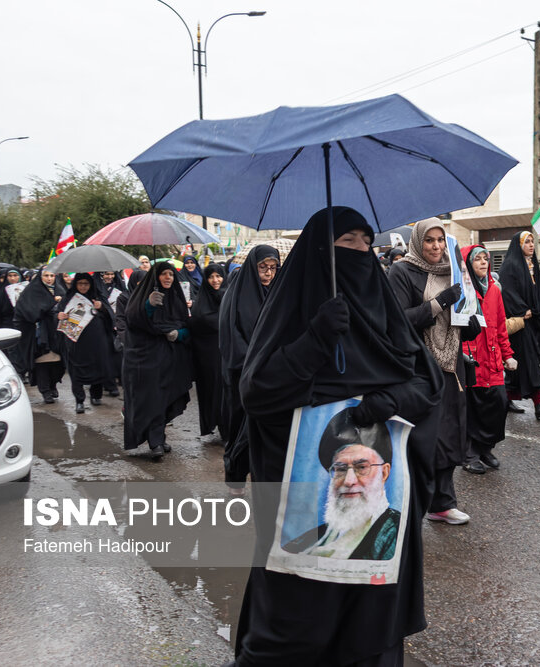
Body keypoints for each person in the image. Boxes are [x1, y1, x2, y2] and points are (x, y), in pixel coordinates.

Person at [235, 206, 443, 666]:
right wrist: (314, 339)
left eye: (366, 242)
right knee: (295, 619)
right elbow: (258, 393)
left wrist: (389, 401)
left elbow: (427, 383)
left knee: (371, 625)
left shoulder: (383, 309)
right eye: (347, 242)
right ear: (317, 252)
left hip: (381, 524)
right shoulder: (291, 312)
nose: (361, 251)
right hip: (300, 507)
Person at [388, 218, 480, 524]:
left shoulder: (453, 272)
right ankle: (410, 504)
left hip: (451, 366)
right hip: (419, 368)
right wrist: (439, 303)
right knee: (423, 438)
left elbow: (463, 326)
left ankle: (443, 502)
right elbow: (398, 321)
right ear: (418, 242)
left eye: (441, 240)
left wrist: (469, 318)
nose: (436, 246)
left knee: (451, 432)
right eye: (429, 240)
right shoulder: (402, 272)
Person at [282, 408, 400, 559]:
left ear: (384, 473)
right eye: (340, 469)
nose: (349, 481)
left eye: (361, 467)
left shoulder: (396, 532)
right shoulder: (314, 537)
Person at [218, 244, 280, 491]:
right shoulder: (236, 295)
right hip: (242, 375)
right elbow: (231, 336)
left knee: (261, 432)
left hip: (268, 375)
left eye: (273, 268)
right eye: (263, 267)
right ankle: (235, 478)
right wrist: (252, 365)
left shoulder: (275, 294)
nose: (268, 273)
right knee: (240, 429)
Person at [122, 262, 194, 457]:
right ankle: (155, 441)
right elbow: (133, 321)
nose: (168, 278)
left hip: (171, 358)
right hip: (147, 358)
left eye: (171, 274)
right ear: (155, 278)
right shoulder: (142, 298)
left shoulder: (176, 298)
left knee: (165, 399)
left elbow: (187, 325)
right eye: (164, 274)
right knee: (152, 399)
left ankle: (158, 437)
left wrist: (179, 334)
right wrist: (148, 306)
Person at [460, 244, 516, 474]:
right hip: (472, 357)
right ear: (468, 264)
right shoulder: (462, 290)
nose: (484, 262)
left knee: (498, 404)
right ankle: (469, 454)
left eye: (486, 258)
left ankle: (485, 448)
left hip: (492, 358)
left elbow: (501, 326)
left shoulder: (494, 290)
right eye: (478, 259)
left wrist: (508, 354)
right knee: (473, 409)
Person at [500, 230, 540, 417]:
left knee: (518, 365)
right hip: (518, 322)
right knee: (529, 363)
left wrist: (538, 310)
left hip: (531, 321)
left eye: (532, 241)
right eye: (526, 242)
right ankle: (539, 404)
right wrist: (522, 310)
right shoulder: (510, 266)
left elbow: (539, 291)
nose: (531, 245)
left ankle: (506, 398)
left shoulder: (531, 265)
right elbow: (507, 292)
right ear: (518, 244)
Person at [55, 273, 116, 414]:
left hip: (97, 341)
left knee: (97, 367)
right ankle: (79, 400)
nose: (83, 286)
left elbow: (110, 317)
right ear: (75, 284)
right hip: (76, 342)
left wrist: (101, 307)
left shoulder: (98, 297)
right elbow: (57, 314)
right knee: (76, 370)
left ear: (91, 285)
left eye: (86, 284)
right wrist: (59, 315)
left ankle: (96, 395)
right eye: (80, 283)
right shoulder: (68, 298)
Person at [13, 268, 65, 403]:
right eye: (46, 275)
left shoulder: (60, 290)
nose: (49, 278)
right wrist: (52, 303)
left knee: (58, 364)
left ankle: (53, 385)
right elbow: (29, 313)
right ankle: (45, 391)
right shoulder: (31, 292)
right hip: (39, 335)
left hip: (57, 334)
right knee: (42, 363)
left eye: (52, 275)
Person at [190, 263, 227, 439]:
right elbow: (199, 322)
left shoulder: (228, 297)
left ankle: (227, 427)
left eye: (218, 276)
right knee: (213, 391)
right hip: (209, 356)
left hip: (227, 353)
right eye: (211, 277)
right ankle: (218, 424)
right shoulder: (201, 301)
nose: (215, 280)